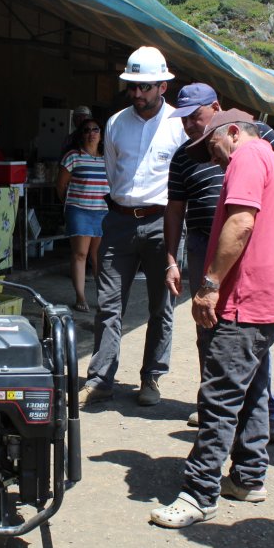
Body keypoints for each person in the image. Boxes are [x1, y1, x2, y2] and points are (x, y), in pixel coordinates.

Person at [149, 108, 274, 528]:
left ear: (232, 131)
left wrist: (210, 284)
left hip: (243, 301)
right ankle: (248, 477)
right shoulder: (271, 159)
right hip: (264, 300)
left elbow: (242, 221)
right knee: (252, 391)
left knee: (219, 398)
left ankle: (199, 493)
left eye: (212, 146)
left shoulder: (247, 157)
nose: (212, 159)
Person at [165, 82, 274, 440]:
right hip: (203, 243)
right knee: (212, 331)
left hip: (245, 244)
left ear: (215, 108)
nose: (190, 126)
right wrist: (173, 258)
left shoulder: (254, 139)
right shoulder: (185, 155)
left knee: (247, 332)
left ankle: (254, 417)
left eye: (195, 117)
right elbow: (175, 208)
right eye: (183, 120)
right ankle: (218, 405)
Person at [78, 46, 187, 407]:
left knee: (161, 306)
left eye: (146, 87)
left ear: (162, 88)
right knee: (108, 305)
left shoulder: (178, 126)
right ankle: (101, 379)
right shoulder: (115, 123)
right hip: (120, 222)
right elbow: (112, 172)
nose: (137, 94)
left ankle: (151, 377)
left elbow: (185, 184)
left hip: (163, 224)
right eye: (132, 87)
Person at [56, 117, 108, 313]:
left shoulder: (107, 157)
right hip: (79, 210)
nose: (91, 133)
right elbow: (61, 186)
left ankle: (103, 297)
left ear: (101, 135)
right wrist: (71, 205)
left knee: (98, 256)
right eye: (87, 130)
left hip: (102, 212)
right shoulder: (73, 156)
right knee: (80, 254)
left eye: (96, 129)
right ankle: (80, 296)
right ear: (81, 134)